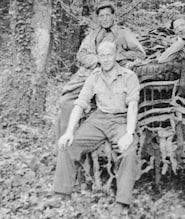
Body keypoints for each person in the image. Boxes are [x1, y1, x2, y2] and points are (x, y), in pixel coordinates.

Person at [52, 41, 140, 214]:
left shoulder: (129, 76)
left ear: (115, 56)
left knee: (129, 151)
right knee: (69, 145)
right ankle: (62, 193)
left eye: (109, 55)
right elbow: (80, 103)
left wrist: (129, 133)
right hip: (99, 118)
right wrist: (69, 132)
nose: (106, 59)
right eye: (102, 56)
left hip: (120, 120)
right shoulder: (94, 76)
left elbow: (133, 106)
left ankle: (122, 202)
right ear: (98, 57)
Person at [56, 1, 146, 139]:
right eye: (101, 16)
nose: (104, 18)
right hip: (90, 74)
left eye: (107, 15)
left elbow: (139, 53)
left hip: (114, 74)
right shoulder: (93, 35)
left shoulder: (122, 33)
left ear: (113, 16)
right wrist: (97, 60)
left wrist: (117, 57)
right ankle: (67, 140)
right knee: (67, 101)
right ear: (98, 18)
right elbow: (81, 55)